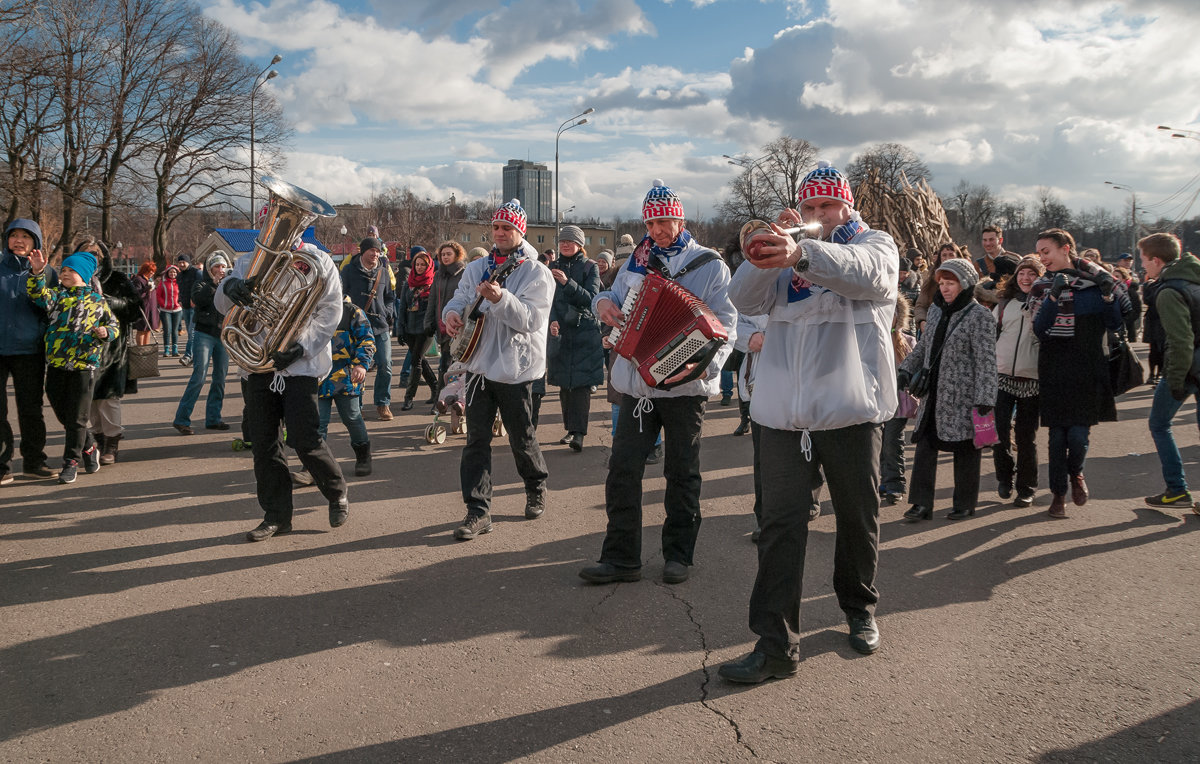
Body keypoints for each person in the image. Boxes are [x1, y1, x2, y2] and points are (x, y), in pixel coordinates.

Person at [718, 162, 896, 684]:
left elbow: (872, 276)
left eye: (827, 207)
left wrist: (803, 251)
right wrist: (767, 250)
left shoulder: (875, 242)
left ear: (846, 206)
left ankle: (859, 608)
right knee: (779, 528)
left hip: (850, 412)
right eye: (810, 208)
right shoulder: (786, 253)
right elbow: (742, 299)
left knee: (856, 517)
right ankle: (774, 645)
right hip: (781, 417)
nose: (818, 216)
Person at [579, 179, 736, 586]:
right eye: (651, 224)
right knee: (622, 472)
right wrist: (605, 306)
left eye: (665, 221)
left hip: (685, 388)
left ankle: (678, 555)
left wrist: (703, 366)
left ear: (680, 218)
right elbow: (606, 296)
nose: (658, 231)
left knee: (682, 473)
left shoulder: (709, 264)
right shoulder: (635, 262)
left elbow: (728, 324)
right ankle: (621, 558)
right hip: (637, 387)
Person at [215, 241, 350, 542]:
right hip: (258, 362)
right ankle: (276, 515)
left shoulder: (317, 259)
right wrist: (229, 287)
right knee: (264, 443)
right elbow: (222, 305)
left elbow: (331, 310)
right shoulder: (249, 259)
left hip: (300, 363)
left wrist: (302, 346)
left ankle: (336, 491)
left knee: (304, 438)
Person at [443, 199, 554, 540]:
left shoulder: (536, 271)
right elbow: (460, 297)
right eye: (496, 227)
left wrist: (500, 299)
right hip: (477, 364)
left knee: (522, 436)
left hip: (514, 368)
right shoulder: (477, 267)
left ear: (520, 231)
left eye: (508, 228)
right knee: (476, 440)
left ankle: (536, 485)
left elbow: (532, 320)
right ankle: (478, 510)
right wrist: (451, 313)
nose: (501, 233)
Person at [1027, 228, 1121, 519]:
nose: (1043, 258)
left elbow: (1115, 323)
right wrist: (1054, 296)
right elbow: (1039, 329)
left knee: (1078, 435)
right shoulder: (1042, 287)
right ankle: (1058, 495)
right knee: (1057, 437)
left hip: (1087, 364)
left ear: (1066, 248)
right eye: (1040, 252)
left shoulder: (1094, 283)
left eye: (1047, 251)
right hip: (1054, 364)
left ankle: (1076, 474)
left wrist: (1108, 296)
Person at [898, 259, 997, 522]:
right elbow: (923, 347)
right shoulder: (935, 311)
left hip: (964, 396)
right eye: (941, 283)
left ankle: (964, 504)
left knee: (966, 451)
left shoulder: (980, 316)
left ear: (964, 283)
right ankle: (921, 504)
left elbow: (987, 361)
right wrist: (906, 369)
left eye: (950, 283)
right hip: (933, 395)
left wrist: (985, 398)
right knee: (925, 448)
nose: (944, 288)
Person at [25, 249, 118, 484]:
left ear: (84, 275)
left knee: (77, 418)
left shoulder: (98, 301)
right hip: (56, 364)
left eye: (71, 270)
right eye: (63, 270)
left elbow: (114, 326)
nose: (65, 274)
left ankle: (71, 462)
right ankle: (89, 448)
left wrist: (106, 332)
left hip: (84, 365)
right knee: (62, 410)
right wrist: (37, 272)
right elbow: (37, 294)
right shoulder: (57, 296)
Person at [1138, 234, 1200, 511]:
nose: (1142, 267)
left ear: (1156, 260)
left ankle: (1177, 489)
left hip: (1189, 368)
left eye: (1143, 260)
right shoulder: (1195, 279)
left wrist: (1175, 380)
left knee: (1159, 424)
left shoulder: (1169, 291)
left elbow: (1180, 341)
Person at [74, 236, 141, 466]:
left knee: (108, 400)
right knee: (90, 401)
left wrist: (107, 302)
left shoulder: (118, 279)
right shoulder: (72, 279)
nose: (91, 258)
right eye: (85, 253)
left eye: (95, 254)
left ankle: (112, 444)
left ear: (102, 258)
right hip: (84, 350)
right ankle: (99, 443)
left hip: (112, 350)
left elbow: (135, 309)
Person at [0, 219, 56, 482]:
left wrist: (37, 275)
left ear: (37, 243)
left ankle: (34, 461)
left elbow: (51, 309)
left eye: (26, 236)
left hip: (29, 350)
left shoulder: (47, 273)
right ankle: (2, 465)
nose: (19, 241)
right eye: (14, 236)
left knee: (31, 408)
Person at [991, 256, 1044, 507]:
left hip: (1032, 379)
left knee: (1026, 437)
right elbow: (989, 336)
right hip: (1001, 376)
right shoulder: (1004, 305)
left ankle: (1027, 488)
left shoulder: (1046, 304)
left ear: (1040, 278)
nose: (1026, 278)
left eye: (1032, 274)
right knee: (999, 432)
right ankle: (1004, 477)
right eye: (1022, 273)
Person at [547, 225, 604, 452]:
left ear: (580, 244)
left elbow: (592, 298)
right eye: (562, 241)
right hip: (561, 333)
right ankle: (570, 429)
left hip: (584, 333)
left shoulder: (591, 267)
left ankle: (579, 433)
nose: (565, 245)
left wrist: (566, 283)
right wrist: (551, 321)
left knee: (580, 385)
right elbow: (547, 300)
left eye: (570, 241)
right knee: (564, 385)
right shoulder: (553, 266)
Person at [172, 253, 231, 435]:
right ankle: (182, 419)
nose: (220, 270)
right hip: (203, 333)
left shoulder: (229, 284)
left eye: (222, 267)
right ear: (209, 268)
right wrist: (214, 283)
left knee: (220, 378)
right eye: (216, 267)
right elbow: (199, 300)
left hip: (222, 335)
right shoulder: (201, 283)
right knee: (199, 375)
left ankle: (213, 418)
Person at [318, 296, 376, 477]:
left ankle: (363, 457)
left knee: (352, 418)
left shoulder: (352, 311)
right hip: (317, 378)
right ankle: (314, 466)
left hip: (346, 376)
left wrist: (361, 364)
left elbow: (367, 339)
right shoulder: (309, 310)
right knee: (317, 424)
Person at [341, 237, 396, 421]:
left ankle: (382, 403)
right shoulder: (349, 271)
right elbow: (341, 296)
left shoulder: (383, 272)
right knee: (357, 367)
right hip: (356, 329)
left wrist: (388, 312)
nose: (375, 254)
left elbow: (389, 296)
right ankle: (358, 405)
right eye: (372, 250)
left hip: (380, 327)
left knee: (386, 366)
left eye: (378, 251)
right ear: (363, 251)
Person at [879, 295, 917, 505]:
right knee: (880, 442)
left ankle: (895, 484)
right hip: (876, 399)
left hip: (898, 401)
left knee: (893, 441)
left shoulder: (908, 341)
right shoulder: (873, 338)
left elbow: (915, 367)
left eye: (893, 313)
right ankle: (884, 480)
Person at [397, 248, 439, 409]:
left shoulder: (432, 283)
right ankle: (436, 388)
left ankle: (409, 398)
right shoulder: (408, 283)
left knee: (416, 361)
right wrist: (400, 330)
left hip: (425, 329)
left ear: (428, 266)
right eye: (417, 264)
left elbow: (435, 308)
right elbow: (402, 308)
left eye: (423, 264)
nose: (420, 267)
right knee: (420, 360)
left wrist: (432, 326)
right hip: (409, 329)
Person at [425, 241, 467, 395]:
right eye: (443, 254)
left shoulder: (464, 273)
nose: (445, 257)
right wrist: (428, 321)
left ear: (457, 255)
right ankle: (440, 398)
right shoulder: (438, 275)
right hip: (441, 326)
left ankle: (458, 398)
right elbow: (433, 299)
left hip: (460, 326)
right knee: (443, 364)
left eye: (449, 254)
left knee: (458, 365)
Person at [914, 243, 966, 333]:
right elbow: (921, 306)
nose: (947, 258)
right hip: (934, 329)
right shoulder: (931, 282)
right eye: (944, 255)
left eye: (951, 255)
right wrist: (922, 322)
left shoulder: (966, 280)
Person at [175, 253, 201, 365]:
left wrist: (195, 298)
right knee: (191, 334)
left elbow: (202, 286)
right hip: (185, 307)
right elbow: (180, 290)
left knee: (192, 332)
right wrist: (179, 300)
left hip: (196, 308)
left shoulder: (197, 273)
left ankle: (187, 356)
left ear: (188, 262)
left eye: (183, 262)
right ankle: (195, 356)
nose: (181, 264)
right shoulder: (179, 276)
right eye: (179, 262)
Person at [155, 264, 183, 357]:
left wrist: (180, 303)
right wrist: (163, 304)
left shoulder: (179, 283)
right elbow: (158, 295)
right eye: (171, 272)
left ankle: (175, 349)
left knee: (175, 331)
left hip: (177, 310)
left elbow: (182, 294)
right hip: (165, 310)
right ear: (167, 273)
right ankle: (166, 349)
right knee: (167, 330)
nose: (173, 273)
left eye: (174, 272)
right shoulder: (163, 283)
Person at [131, 261, 158, 345]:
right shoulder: (138, 279)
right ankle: (140, 348)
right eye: (150, 271)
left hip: (151, 308)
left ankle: (146, 348)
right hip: (143, 308)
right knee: (141, 330)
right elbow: (137, 294)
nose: (152, 273)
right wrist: (147, 288)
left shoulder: (149, 279)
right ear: (145, 270)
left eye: (153, 272)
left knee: (148, 330)